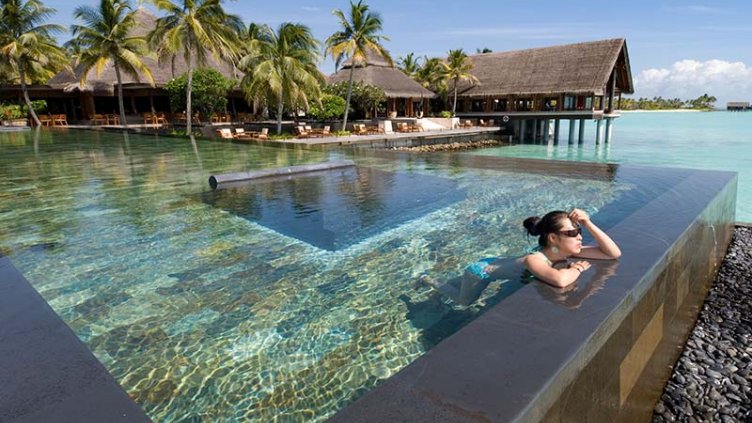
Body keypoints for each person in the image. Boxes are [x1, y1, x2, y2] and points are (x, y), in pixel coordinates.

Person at [522, 208, 620, 288]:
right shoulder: (533, 259)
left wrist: (587, 223)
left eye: (579, 231)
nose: (580, 237)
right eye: (572, 233)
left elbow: (612, 254)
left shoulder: (565, 251)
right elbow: (560, 280)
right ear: (553, 238)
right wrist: (578, 268)